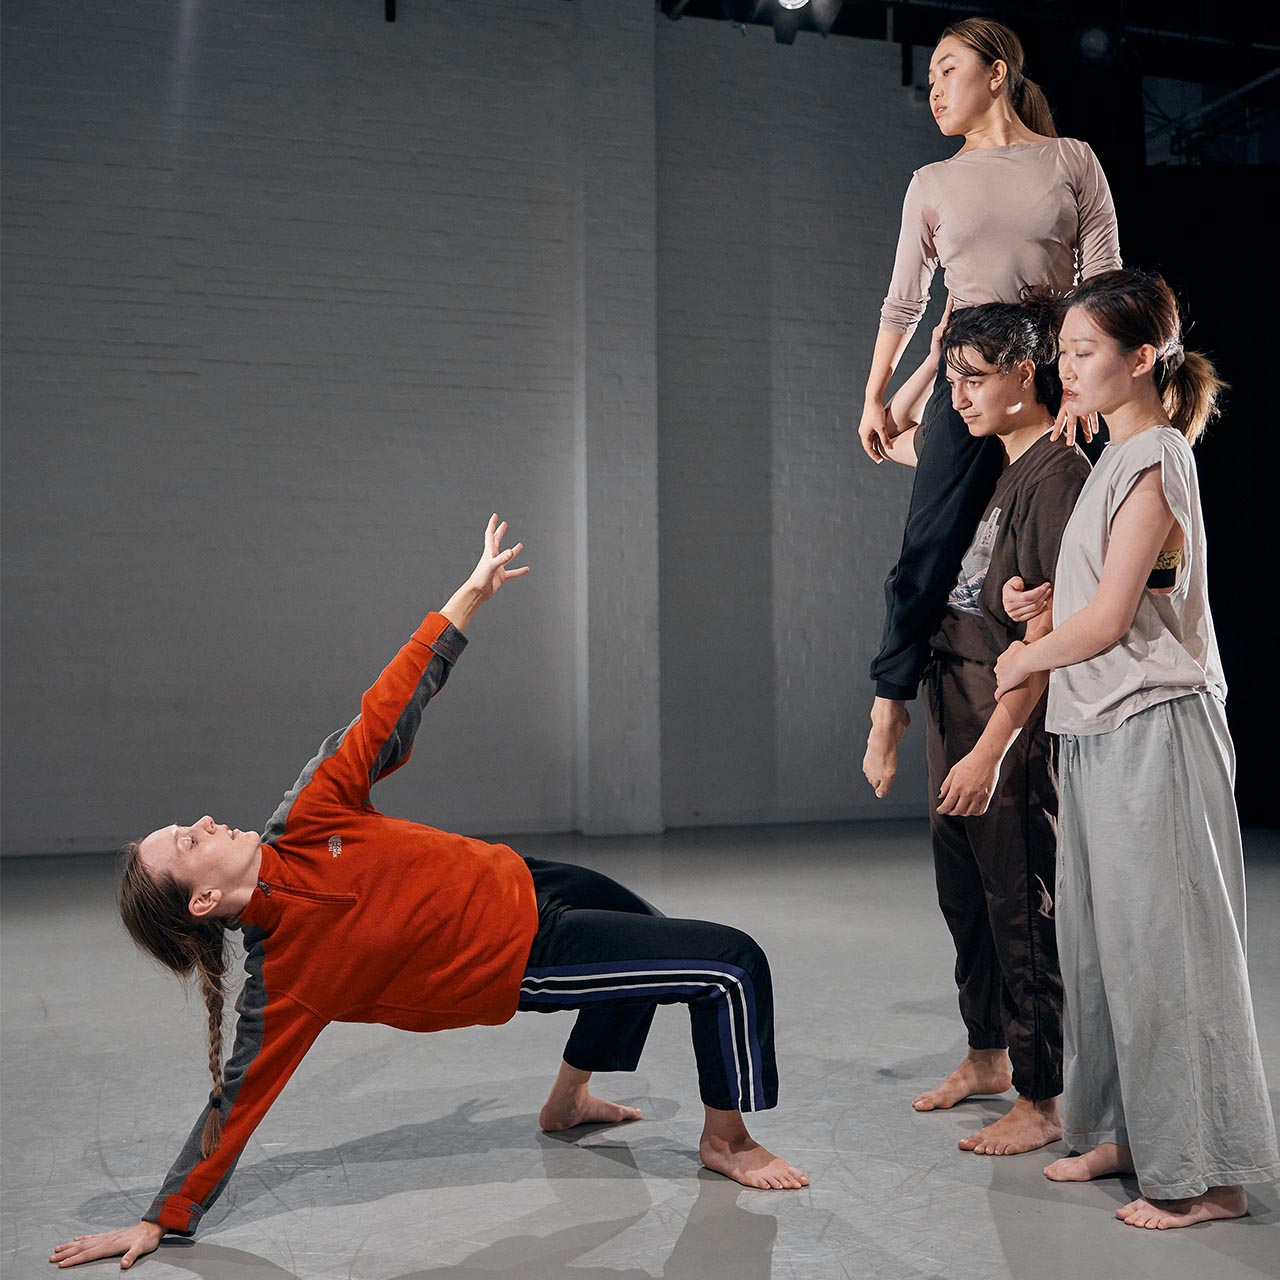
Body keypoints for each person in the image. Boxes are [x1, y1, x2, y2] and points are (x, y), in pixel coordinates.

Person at [50, 516, 808, 1272]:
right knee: (729, 963)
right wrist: (163, 1217)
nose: (205, 822)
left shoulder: (306, 816)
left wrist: (469, 597)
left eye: (189, 824)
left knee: (643, 927)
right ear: (203, 901)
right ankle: (726, 1140)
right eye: (189, 842)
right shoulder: (287, 981)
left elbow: (387, 702)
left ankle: (568, 1102)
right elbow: (235, 1105)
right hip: (522, 953)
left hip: (526, 876)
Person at [993, 270, 1280, 1227]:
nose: (1064, 369)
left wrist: (1027, 654)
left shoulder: (1156, 456)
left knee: (1172, 953)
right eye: (1063, 353)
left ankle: (1209, 1174)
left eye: (1081, 354)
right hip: (1100, 728)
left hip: (1155, 727)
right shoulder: (1116, 459)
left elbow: (1116, 620)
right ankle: (1125, 1130)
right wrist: (1038, 610)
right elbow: (1110, 597)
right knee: (1107, 950)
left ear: (1140, 358)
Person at [858, 16, 1120, 801]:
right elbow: (904, 302)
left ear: (996, 72)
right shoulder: (932, 183)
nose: (933, 87)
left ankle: (1054, 723)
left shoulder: (1071, 161)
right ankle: (888, 701)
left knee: (1056, 544)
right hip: (970, 366)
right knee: (929, 545)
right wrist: (874, 391)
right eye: (930, 76)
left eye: (947, 70)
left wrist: (1080, 383)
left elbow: (1103, 282)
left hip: (1048, 367)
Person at [880, 296, 1088, 1155]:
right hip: (952, 692)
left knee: (1018, 900)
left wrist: (994, 750)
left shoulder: (1058, 473)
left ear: (1027, 374)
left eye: (975, 378)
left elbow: (1049, 642)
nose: (959, 397)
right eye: (954, 379)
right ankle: (986, 1054)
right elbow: (889, 433)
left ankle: (1041, 1098)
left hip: (1005, 716)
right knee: (963, 894)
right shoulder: (997, 468)